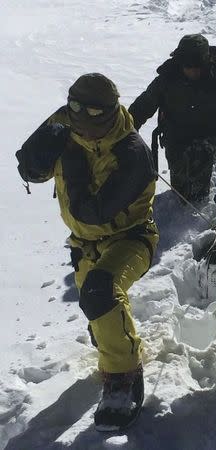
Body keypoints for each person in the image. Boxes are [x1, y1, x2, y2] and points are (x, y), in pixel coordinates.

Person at [16, 73, 159, 431]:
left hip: (131, 237)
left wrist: (74, 161)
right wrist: (35, 161)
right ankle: (113, 346)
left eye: (92, 115)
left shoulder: (132, 153)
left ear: (110, 114)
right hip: (83, 244)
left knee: (100, 291)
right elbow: (31, 168)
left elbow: (93, 212)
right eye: (75, 110)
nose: (82, 123)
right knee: (99, 312)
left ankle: (123, 377)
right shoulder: (65, 121)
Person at [128, 33, 216, 202]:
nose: (193, 70)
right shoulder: (167, 79)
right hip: (177, 139)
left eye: (198, 66)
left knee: (200, 158)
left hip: (214, 135)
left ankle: (198, 206)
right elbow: (141, 107)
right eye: (188, 66)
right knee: (181, 191)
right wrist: (124, 130)